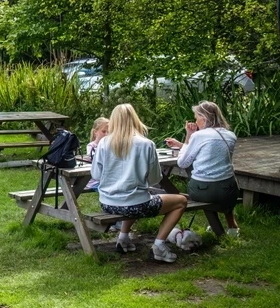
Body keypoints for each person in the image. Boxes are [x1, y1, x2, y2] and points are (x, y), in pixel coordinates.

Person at [91, 103, 187, 262]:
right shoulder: (146, 144)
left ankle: (123, 238)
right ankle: (159, 246)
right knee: (181, 201)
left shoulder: (104, 143)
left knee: (134, 196)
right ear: (135, 119)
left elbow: (96, 174)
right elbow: (155, 179)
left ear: (114, 121)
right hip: (137, 204)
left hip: (107, 203)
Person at [165, 101, 240, 237]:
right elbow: (208, 153)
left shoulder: (199, 136)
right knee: (222, 181)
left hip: (204, 191)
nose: (195, 120)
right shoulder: (230, 135)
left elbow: (182, 163)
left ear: (204, 118)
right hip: (229, 190)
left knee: (204, 188)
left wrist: (189, 135)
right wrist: (182, 144)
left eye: (196, 117)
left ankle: (216, 227)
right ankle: (232, 227)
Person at [85, 117, 109, 191]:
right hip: (94, 181)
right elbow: (95, 159)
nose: (106, 134)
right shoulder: (91, 146)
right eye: (104, 131)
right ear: (95, 132)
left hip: (106, 180)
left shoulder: (110, 145)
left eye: (109, 132)